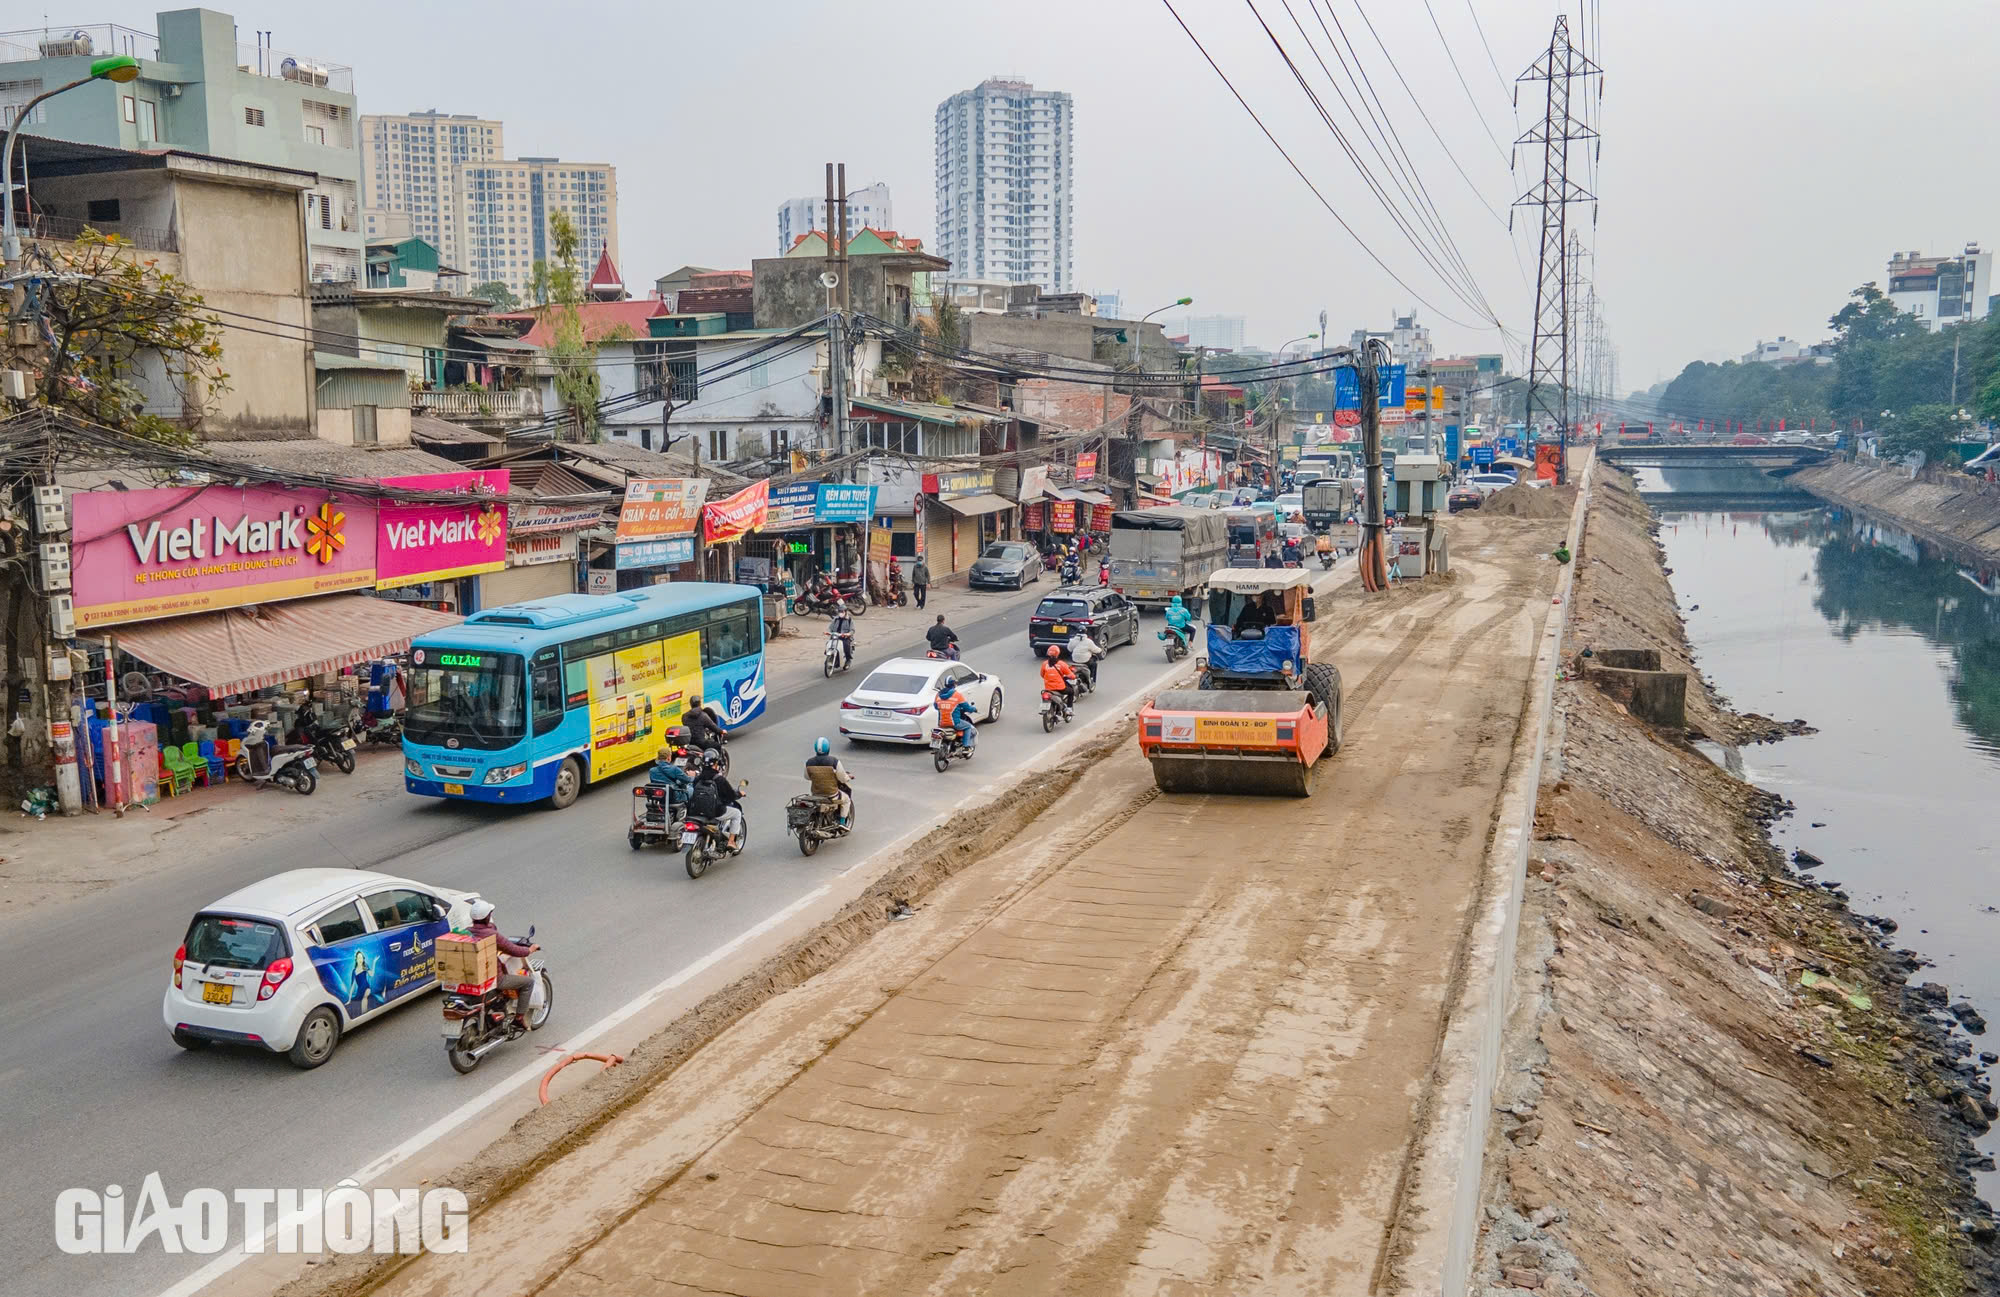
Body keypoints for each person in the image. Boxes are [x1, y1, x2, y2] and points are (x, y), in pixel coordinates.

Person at [467, 900, 539, 1033]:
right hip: (493, 979)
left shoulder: (467, 932)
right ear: (487, 917)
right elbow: (513, 950)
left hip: (469, 977)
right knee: (528, 982)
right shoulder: (491, 935)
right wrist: (530, 950)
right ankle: (519, 1018)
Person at [686, 754, 744, 850]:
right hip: (715, 812)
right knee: (737, 813)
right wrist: (740, 794)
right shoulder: (719, 779)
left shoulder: (698, 778)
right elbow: (731, 795)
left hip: (695, 810)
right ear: (716, 764)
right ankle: (731, 841)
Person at [804, 736, 854, 826]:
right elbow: (842, 778)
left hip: (816, 795)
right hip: (831, 795)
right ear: (828, 749)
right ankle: (842, 822)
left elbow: (807, 777)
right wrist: (848, 777)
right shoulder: (834, 762)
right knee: (846, 800)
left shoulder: (809, 762)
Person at [935, 678, 978, 751]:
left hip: (941, 723)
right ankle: (966, 747)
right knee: (968, 727)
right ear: (953, 685)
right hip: (954, 722)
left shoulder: (938, 695)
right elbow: (967, 708)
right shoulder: (957, 695)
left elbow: (936, 706)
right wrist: (974, 709)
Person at [1040, 645, 1078, 718]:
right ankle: (1069, 709)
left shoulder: (1044, 664)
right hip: (1060, 688)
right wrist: (1074, 676)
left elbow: (1042, 675)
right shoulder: (1061, 664)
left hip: (1048, 688)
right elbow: (1071, 675)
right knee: (1071, 691)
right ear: (1058, 653)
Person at [827, 601, 856, 670]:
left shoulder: (849, 620)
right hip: (836, 636)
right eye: (839, 611)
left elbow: (852, 630)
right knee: (828, 644)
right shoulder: (835, 619)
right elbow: (830, 627)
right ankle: (831, 657)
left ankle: (848, 660)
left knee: (846, 646)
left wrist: (848, 634)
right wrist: (828, 632)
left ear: (845, 612)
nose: (841, 613)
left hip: (845, 637)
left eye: (842, 611)